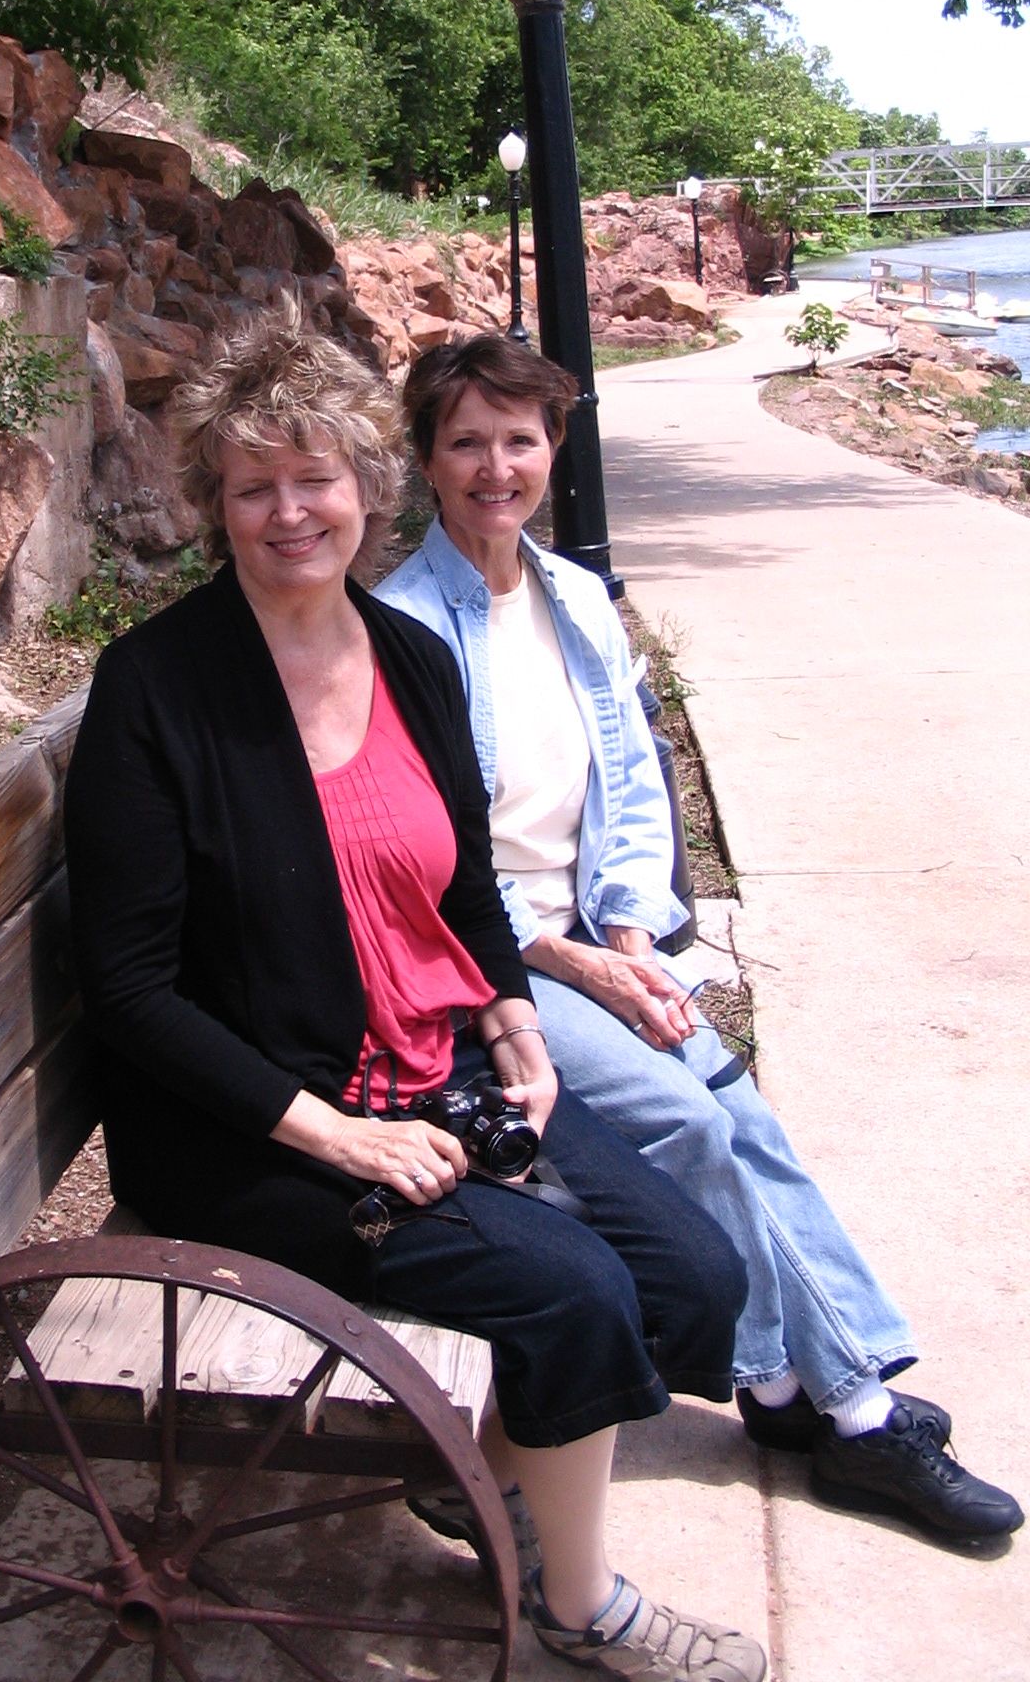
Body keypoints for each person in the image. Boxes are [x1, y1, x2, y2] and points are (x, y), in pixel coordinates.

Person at [64, 321, 767, 1682]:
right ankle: (579, 1604)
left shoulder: (410, 657)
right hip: (257, 1127)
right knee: (571, 1296)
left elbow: (463, 894)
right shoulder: (159, 690)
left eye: (315, 478)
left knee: (693, 1273)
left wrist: (506, 1014)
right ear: (215, 502)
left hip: (431, 1069)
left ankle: (479, 1468)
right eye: (252, 484)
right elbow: (131, 994)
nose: (288, 512)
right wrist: (338, 1137)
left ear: (371, 488)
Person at [378, 330, 1023, 1548]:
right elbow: (424, 861)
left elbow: (628, 783)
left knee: (738, 1098)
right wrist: (583, 963)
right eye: (466, 441)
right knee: (688, 1122)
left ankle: (791, 1388)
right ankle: (853, 1410)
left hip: (591, 935)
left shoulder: (570, 595)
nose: (496, 465)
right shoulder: (404, 627)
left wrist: (630, 928)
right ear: (426, 459)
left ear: (553, 449)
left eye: (520, 437)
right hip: (490, 963)